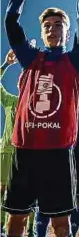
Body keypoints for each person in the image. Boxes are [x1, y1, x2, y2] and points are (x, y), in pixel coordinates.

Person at [2, 0, 79, 237]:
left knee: (61, 224)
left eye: (58, 25)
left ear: (66, 32)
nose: (52, 30)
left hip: (58, 152)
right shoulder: (31, 58)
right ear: (41, 33)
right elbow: (10, 21)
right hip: (25, 150)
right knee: (16, 221)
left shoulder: (75, 61)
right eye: (47, 26)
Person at [35, 51, 79, 237]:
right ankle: (40, 233)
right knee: (45, 195)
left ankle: (71, 234)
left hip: (77, 147)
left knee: (76, 197)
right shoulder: (48, 83)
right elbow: (38, 111)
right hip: (50, 147)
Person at [0, 49, 36, 237]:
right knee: (1, 189)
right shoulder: (9, 101)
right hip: (6, 152)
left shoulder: (36, 106)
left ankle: (30, 229)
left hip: (28, 153)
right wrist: (6, 64)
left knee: (30, 192)